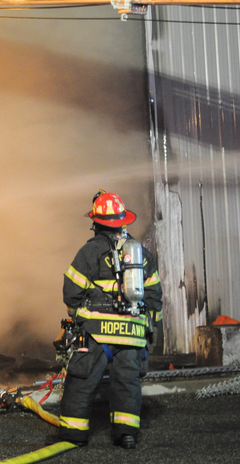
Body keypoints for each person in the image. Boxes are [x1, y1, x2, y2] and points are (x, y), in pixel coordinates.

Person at [57, 191, 163, 449]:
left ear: (96, 222)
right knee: (127, 384)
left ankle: (74, 434)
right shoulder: (142, 255)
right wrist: (149, 329)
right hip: (132, 333)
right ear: (123, 220)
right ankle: (126, 435)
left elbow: (71, 292)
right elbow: (154, 297)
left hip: (97, 332)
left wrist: (79, 317)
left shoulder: (89, 251)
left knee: (82, 380)